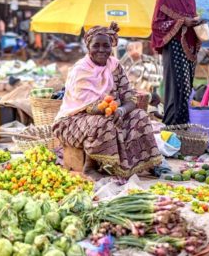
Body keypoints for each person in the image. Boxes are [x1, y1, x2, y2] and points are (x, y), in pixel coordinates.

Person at [53, 22, 162, 180]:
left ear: (112, 46)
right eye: (96, 45)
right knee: (104, 122)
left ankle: (146, 163)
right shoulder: (80, 70)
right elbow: (89, 107)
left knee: (140, 116)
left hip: (110, 113)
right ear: (88, 46)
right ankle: (90, 167)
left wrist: (121, 110)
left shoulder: (115, 66)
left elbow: (129, 97)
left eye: (106, 45)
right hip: (72, 121)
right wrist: (111, 111)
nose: (101, 50)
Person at [151, 0, 201, 125]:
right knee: (176, 88)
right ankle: (172, 126)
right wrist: (181, 22)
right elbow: (156, 25)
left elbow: (190, 21)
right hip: (173, 48)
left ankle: (183, 125)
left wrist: (196, 23)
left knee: (187, 89)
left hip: (189, 49)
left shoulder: (191, 0)